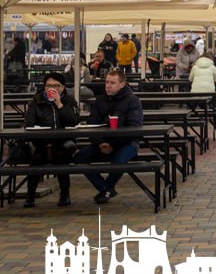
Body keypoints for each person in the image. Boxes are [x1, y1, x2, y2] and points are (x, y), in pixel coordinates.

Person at [74, 69, 144, 204]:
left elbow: (134, 129)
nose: (108, 86)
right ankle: (105, 188)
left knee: (119, 160)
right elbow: (91, 124)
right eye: (106, 82)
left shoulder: (132, 101)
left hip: (126, 143)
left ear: (122, 84)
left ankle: (107, 188)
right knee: (79, 157)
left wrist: (113, 145)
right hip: (102, 142)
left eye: (112, 83)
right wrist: (100, 143)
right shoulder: (100, 100)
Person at [22, 72, 80, 207]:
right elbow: (29, 124)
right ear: (44, 87)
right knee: (36, 159)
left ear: (62, 87)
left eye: (55, 86)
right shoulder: (36, 102)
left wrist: (59, 104)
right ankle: (30, 196)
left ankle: (65, 194)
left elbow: (73, 122)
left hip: (63, 142)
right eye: (48, 86)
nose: (51, 89)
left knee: (61, 157)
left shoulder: (69, 101)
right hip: (41, 142)